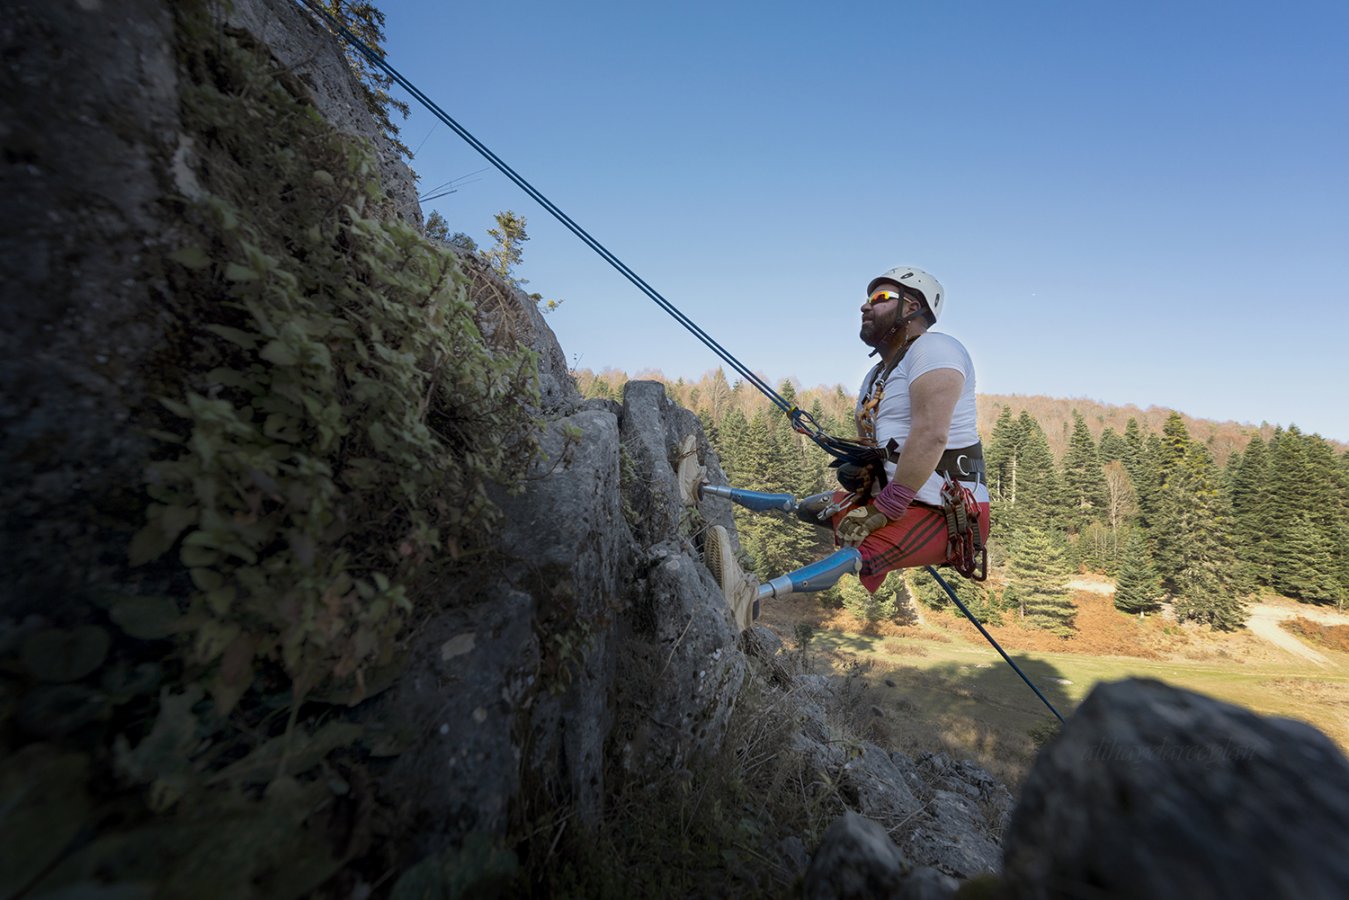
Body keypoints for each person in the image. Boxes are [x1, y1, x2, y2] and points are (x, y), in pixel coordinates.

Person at [697, 265, 990, 630]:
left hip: (948, 512)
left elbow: (931, 434)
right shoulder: (875, 377)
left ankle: (748, 597)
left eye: (880, 298)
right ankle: (705, 488)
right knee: (810, 508)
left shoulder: (936, 348)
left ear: (912, 307)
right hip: (896, 498)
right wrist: (865, 474)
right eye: (866, 301)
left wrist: (886, 506)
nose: (865, 307)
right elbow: (877, 445)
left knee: (861, 554)